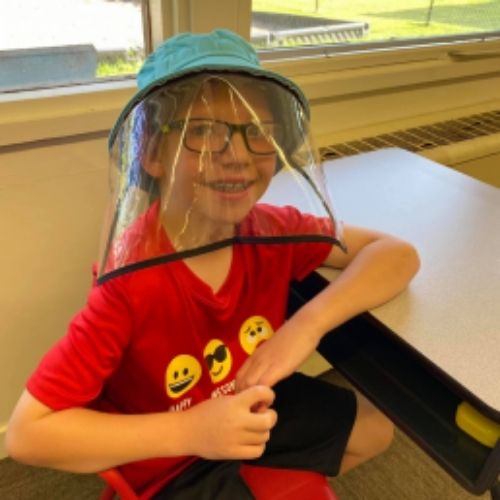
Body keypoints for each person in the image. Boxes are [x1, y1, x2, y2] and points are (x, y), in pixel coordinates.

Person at [6, 29, 420, 499]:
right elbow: (27, 434)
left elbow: (395, 254)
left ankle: (254, 473)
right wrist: (191, 431)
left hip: (243, 406)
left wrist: (304, 327)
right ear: (153, 154)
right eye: (202, 132)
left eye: (257, 133)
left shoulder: (270, 230)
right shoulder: (131, 284)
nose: (238, 157)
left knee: (374, 428)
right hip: (169, 454)